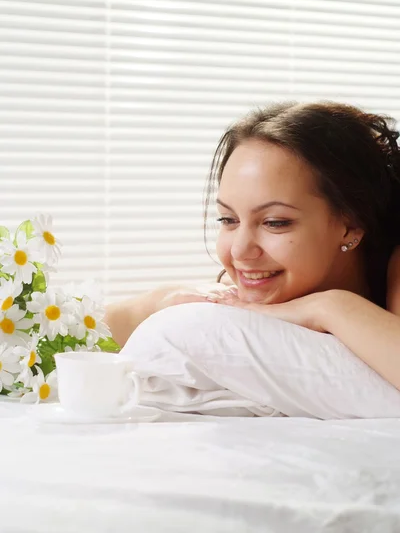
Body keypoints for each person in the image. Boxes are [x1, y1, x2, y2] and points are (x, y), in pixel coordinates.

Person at [105, 101, 400, 390]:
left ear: (350, 227)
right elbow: (82, 331)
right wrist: (161, 304)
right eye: (228, 219)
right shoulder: (211, 306)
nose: (239, 251)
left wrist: (328, 307)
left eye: (274, 222)